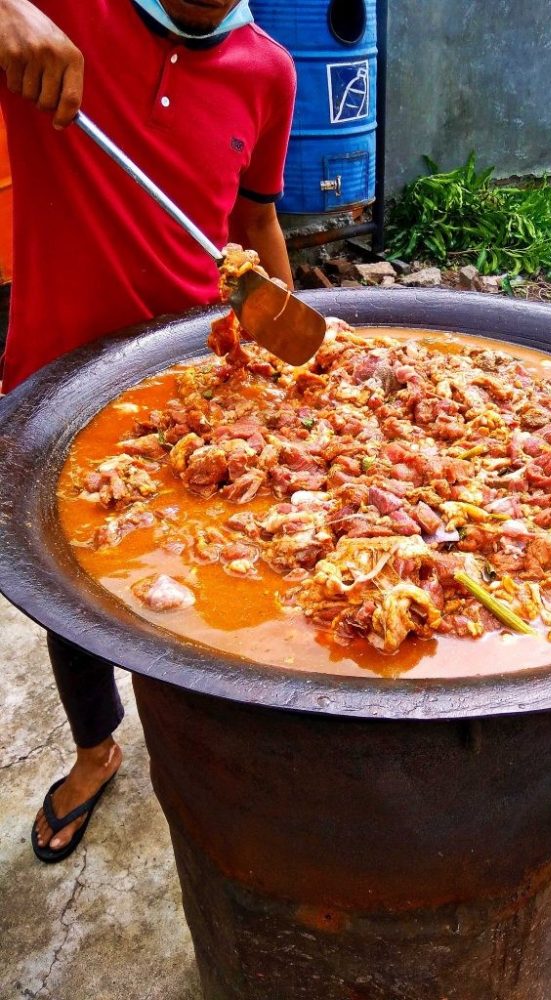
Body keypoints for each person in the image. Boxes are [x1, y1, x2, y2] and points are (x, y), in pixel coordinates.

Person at [0, 0, 296, 861]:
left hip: (201, 383)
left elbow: (255, 223)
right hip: (56, 372)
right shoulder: (59, 11)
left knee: (221, 565)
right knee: (71, 595)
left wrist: (297, 344)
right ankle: (96, 750)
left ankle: (222, 751)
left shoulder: (271, 69)